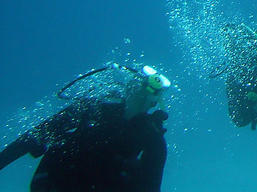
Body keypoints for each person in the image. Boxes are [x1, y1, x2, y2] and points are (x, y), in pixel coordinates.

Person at [0, 63, 170, 192]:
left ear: (154, 102)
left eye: (147, 93)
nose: (139, 93)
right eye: (136, 87)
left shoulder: (153, 138)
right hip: (55, 184)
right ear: (127, 88)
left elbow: (150, 186)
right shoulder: (91, 109)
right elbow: (34, 137)